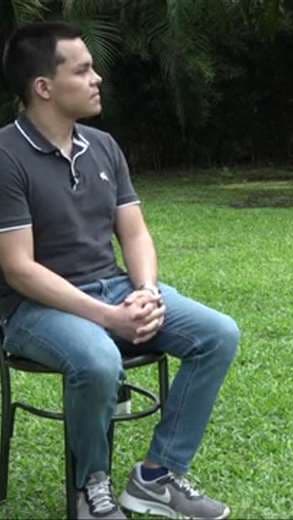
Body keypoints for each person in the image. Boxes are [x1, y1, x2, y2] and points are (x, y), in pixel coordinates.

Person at [0, 22, 239, 518]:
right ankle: (91, 487)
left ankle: (156, 476)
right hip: (33, 308)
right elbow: (19, 269)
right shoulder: (6, 157)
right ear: (43, 87)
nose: (98, 78)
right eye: (82, 70)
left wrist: (147, 291)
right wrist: (108, 318)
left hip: (114, 288)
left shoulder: (103, 145)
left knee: (218, 334)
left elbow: (134, 233)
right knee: (98, 361)